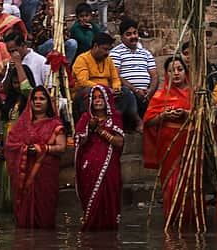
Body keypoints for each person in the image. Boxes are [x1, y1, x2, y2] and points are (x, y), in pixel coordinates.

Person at [5, 85, 66, 228]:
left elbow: (61, 148)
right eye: (35, 99)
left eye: (42, 99)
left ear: (48, 103)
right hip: (25, 173)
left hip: (46, 173)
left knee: (44, 214)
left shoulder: (55, 124)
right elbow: (10, 145)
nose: (38, 102)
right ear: (30, 102)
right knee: (24, 220)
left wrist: (40, 149)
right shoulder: (22, 124)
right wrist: (26, 149)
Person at [143, 56, 191, 221]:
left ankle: (190, 219)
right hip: (168, 144)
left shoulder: (195, 94)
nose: (176, 73)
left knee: (189, 183)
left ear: (186, 72)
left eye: (179, 69)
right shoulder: (159, 95)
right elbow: (148, 120)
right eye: (171, 70)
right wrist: (164, 115)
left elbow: (205, 117)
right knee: (171, 182)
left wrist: (186, 114)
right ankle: (172, 219)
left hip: (190, 145)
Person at [75, 85, 124, 231]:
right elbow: (79, 141)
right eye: (94, 97)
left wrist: (100, 131)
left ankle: (108, 234)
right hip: (89, 167)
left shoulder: (115, 117)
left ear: (107, 99)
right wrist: (89, 129)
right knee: (91, 202)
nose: (97, 100)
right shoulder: (85, 118)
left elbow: (119, 142)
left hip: (109, 167)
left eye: (101, 97)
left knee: (109, 198)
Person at [0, 58, 36, 211]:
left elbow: (27, 89)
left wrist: (18, 64)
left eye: (19, 82)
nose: (17, 86)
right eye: (14, 83)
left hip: (21, 147)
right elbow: (4, 123)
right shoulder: (10, 102)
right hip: (7, 145)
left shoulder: (32, 101)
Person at [72, 32, 137, 127]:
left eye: (109, 50)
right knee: (88, 91)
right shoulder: (82, 59)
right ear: (95, 46)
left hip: (106, 93)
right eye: (105, 49)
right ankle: (90, 123)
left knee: (125, 91)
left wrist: (116, 88)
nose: (107, 53)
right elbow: (83, 82)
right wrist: (105, 90)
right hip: (87, 93)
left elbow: (115, 78)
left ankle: (114, 121)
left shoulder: (108, 60)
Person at [110, 19, 158, 127]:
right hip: (128, 93)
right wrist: (135, 90)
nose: (133, 37)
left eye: (135, 33)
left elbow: (154, 75)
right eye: (128, 34)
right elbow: (116, 76)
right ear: (121, 37)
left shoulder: (146, 53)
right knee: (127, 94)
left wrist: (150, 90)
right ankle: (136, 122)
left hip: (146, 94)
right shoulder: (116, 53)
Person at [32, 0, 78, 65]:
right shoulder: (37, 18)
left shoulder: (59, 16)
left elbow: (66, 35)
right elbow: (41, 38)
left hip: (59, 43)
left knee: (72, 43)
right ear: (46, 2)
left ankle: (65, 68)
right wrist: (49, 20)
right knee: (52, 42)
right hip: (42, 47)